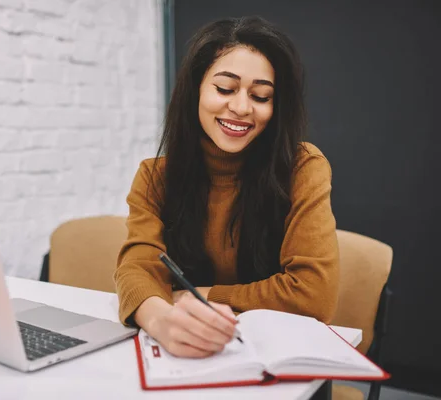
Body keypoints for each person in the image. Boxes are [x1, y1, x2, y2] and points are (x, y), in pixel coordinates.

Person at [114, 16, 339, 358]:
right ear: (196, 90)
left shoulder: (302, 167)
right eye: (224, 88)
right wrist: (161, 320)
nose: (241, 108)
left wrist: (196, 294)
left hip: (275, 357)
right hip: (185, 357)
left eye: (261, 96)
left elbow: (313, 295)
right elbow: (137, 268)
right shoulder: (155, 177)